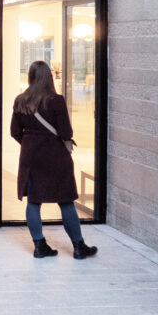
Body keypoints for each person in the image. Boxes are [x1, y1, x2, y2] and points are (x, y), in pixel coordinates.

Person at [10, 60, 97, 260]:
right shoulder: (55, 100)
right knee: (65, 201)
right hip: (55, 156)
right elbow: (66, 132)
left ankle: (40, 246)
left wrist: (30, 143)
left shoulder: (20, 100)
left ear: (30, 77)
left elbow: (14, 132)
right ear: (48, 77)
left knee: (34, 202)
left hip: (31, 156)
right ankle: (78, 247)